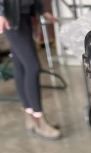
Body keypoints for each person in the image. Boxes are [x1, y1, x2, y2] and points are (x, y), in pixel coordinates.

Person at [0, 0, 61, 139]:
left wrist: (41, 10)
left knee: (20, 65)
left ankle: (30, 117)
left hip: (23, 14)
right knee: (33, 67)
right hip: (10, 16)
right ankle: (39, 120)